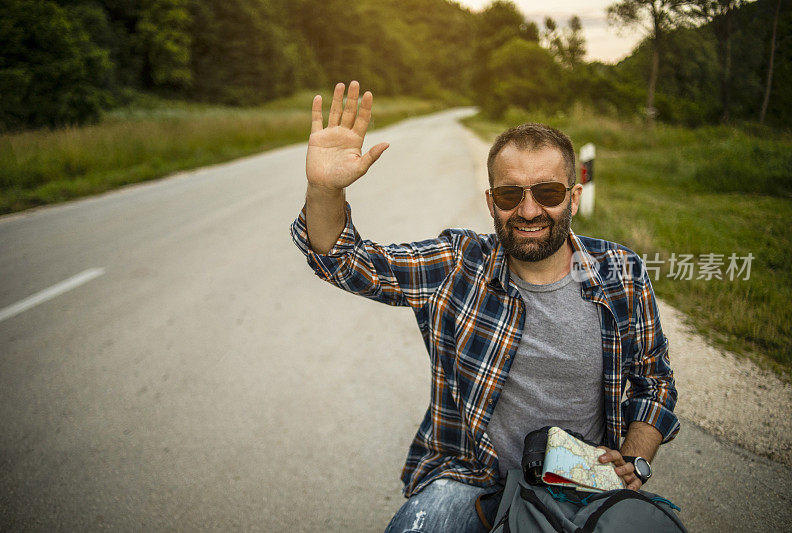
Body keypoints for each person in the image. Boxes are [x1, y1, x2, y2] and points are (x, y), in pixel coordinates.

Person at [290, 80, 679, 532]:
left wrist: (634, 459)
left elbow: (654, 381)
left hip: (584, 480)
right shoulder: (459, 263)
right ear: (491, 202)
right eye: (512, 195)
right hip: (470, 476)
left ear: (573, 197)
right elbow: (344, 260)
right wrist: (323, 189)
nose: (529, 211)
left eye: (548, 193)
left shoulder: (619, 271)